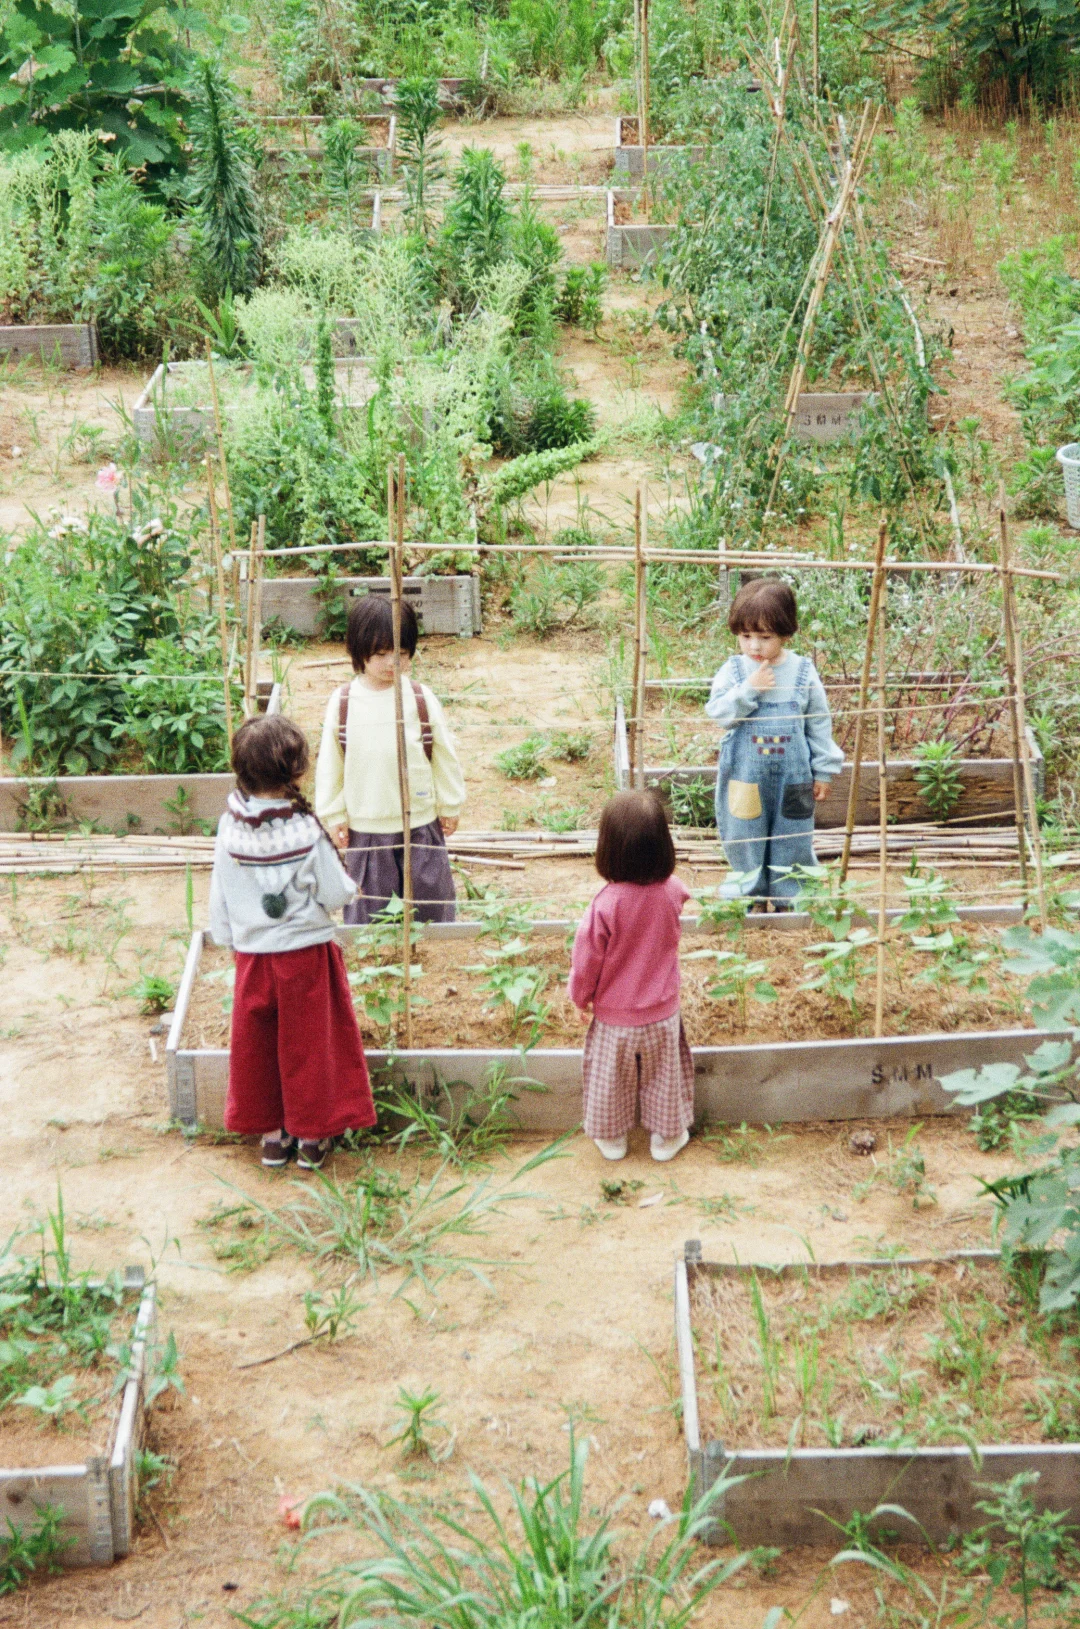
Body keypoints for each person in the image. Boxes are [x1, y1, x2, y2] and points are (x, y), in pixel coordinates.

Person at [208, 713, 375, 1170]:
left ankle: (272, 1137)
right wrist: (347, 891)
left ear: (241, 770)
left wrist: (228, 936)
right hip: (305, 957)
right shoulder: (306, 831)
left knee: (256, 1047)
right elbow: (335, 892)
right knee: (310, 1047)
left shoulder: (229, 829)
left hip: (254, 958)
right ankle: (311, 1139)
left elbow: (219, 893)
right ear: (297, 770)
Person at [315, 595, 465, 925]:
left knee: (431, 905)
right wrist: (334, 813)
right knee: (370, 911)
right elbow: (331, 763)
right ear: (359, 651)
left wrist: (450, 804)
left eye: (401, 654)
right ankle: (377, 965)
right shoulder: (344, 703)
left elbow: (443, 756)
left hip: (420, 823)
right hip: (366, 826)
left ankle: (432, 958)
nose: (391, 664)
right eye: (381, 655)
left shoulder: (420, 698)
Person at [568, 790, 694, 1163]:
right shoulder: (672, 892)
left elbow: (586, 960)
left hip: (614, 1019)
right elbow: (682, 891)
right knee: (664, 1079)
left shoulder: (604, 905)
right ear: (663, 846)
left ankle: (611, 1138)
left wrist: (579, 998)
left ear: (608, 849)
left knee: (611, 1081)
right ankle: (667, 1138)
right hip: (663, 1013)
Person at [706, 577, 843, 910]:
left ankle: (789, 898)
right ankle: (749, 895)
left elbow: (818, 723)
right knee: (744, 836)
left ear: (786, 633)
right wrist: (749, 690)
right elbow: (720, 713)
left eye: (765, 637)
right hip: (746, 777)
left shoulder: (802, 672)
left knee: (792, 837)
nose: (754, 646)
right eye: (745, 636)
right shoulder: (734, 672)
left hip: (793, 779)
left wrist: (823, 770)